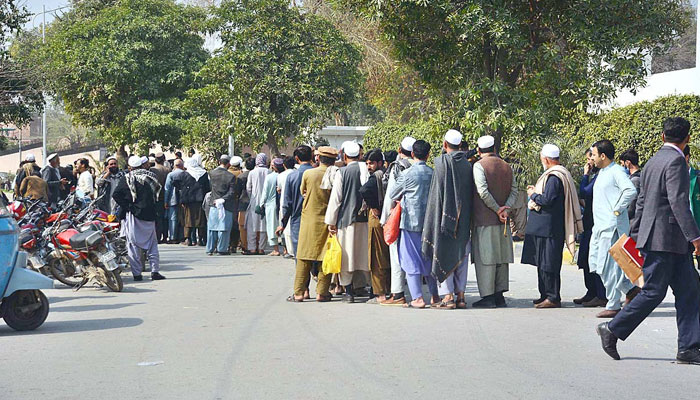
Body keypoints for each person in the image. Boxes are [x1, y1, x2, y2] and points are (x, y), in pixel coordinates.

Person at [598, 117, 700, 364]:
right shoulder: (677, 161)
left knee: (690, 292)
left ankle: (688, 347)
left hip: (662, 239)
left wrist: (636, 235)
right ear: (687, 139)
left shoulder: (653, 161)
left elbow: (641, 202)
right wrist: (695, 237)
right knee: (654, 291)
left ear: (663, 137)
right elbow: (678, 202)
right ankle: (612, 329)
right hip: (667, 240)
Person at [521, 144, 583, 308]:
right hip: (544, 228)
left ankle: (553, 296)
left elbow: (547, 200)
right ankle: (544, 294)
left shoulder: (555, 177)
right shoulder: (553, 175)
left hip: (550, 229)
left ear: (546, 159)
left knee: (549, 264)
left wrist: (533, 194)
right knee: (542, 263)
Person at [422, 130, 473, 308]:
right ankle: (461, 296)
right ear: (460, 145)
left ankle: (447, 297)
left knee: (443, 254)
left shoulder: (440, 164)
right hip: (464, 220)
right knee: (461, 256)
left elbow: (436, 196)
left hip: (443, 221)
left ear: (445, 144)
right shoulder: (468, 165)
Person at [588, 140, 639, 318]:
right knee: (597, 263)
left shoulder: (617, 171)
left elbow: (630, 190)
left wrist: (617, 209)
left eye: (593, 154)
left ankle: (613, 304)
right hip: (600, 226)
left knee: (607, 267)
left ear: (603, 155)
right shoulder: (602, 172)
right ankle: (630, 289)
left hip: (611, 227)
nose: (591, 158)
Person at [470, 135, 518, 308]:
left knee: (486, 259)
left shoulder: (478, 166)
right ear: (495, 149)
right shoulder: (507, 166)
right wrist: (506, 208)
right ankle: (499, 295)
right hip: (503, 221)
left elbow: (482, 192)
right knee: (501, 258)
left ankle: (488, 296)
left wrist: (496, 208)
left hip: (485, 219)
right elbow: (514, 191)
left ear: (479, 150)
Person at [389, 139, 437, 308]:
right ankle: (435, 296)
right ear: (428, 155)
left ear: (412, 154)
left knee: (410, 260)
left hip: (410, 222)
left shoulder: (407, 174)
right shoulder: (433, 173)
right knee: (429, 258)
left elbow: (393, 194)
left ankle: (417, 298)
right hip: (430, 223)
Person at [287, 147, 338, 302]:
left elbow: (303, 192)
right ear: (333, 161)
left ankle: (299, 292)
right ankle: (322, 292)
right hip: (329, 221)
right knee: (326, 256)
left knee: (303, 256)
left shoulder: (309, 174)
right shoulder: (336, 175)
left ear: (318, 159)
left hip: (309, 220)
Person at [325, 142, 370, 303]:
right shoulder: (366, 169)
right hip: (365, 220)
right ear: (360, 155)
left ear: (344, 156)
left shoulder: (342, 173)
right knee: (364, 256)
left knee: (347, 256)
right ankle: (370, 289)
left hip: (346, 221)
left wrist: (331, 221)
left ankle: (349, 292)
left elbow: (336, 199)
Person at [112, 156, 166, 281]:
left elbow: (116, 194)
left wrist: (128, 206)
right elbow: (159, 195)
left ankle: (137, 274)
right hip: (150, 215)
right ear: (142, 165)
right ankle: (155, 271)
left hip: (133, 215)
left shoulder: (127, 178)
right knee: (152, 244)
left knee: (133, 245)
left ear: (130, 167)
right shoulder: (151, 177)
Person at [379, 136, 415, 306]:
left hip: (399, 215)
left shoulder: (397, 167)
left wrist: (385, 218)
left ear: (400, 150)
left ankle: (398, 293)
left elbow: (390, 195)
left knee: (396, 255)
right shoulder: (421, 166)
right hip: (417, 217)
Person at [575, 149, 607, 307]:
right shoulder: (596, 175)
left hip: (597, 223)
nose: (589, 161)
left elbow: (585, 192)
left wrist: (585, 175)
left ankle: (601, 294)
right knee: (586, 259)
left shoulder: (602, 175)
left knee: (595, 259)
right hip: (589, 222)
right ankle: (591, 291)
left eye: (591, 157)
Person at [360, 149, 391, 304]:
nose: (368, 166)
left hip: (376, 220)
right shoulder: (386, 174)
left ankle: (380, 293)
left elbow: (364, 190)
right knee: (387, 256)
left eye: (371, 163)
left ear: (379, 163)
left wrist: (372, 207)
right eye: (367, 164)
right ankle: (388, 290)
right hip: (388, 219)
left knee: (376, 257)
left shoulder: (376, 176)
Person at [277, 146, 314, 257]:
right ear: (311, 157)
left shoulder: (292, 176)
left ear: (297, 159)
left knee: (300, 255)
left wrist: (283, 223)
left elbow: (287, 203)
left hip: (298, 220)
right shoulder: (318, 174)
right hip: (316, 219)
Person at [206, 155, 237, 256]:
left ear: (219, 162)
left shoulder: (211, 173)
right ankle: (222, 249)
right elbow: (232, 192)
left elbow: (210, 187)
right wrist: (223, 199)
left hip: (213, 203)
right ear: (228, 164)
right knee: (224, 228)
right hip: (226, 204)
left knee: (212, 228)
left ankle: (210, 248)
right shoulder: (230, 176)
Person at [177, 154, 210, 246]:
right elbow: (207, 188)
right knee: (200, 220)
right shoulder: (203, 173)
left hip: (189, 201)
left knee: (188, 220)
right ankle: (201, 239)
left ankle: (188, 239)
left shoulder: (185, 174)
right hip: (200, 200)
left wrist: (182, 201)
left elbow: (182, 189)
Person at [245, 153, 269, 254]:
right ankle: (261, 248)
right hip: (266, 202)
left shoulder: (252, 172)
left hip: (254, 201)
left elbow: (248, 188)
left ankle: (252, 248)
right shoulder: (269, 172)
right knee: (263, 226)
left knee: (252, 226)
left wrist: (252, 198)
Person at [260, 158, 283, 256]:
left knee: (272, 227)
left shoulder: (269, 177)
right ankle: (285, 249)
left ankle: (276, 249)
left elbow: (265, 193)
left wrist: (261, 204)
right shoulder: (284, 176)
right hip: (282, 204)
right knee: (282, 225)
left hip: (271, 205)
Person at [277, 156, 296, 258]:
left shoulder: (281, 176)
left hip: (284, 202)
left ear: (284, 165)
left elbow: (279, 189)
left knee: (286, 225)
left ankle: (289, 250)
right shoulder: (296, 173)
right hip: (296, 202)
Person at [164, 158, 186, 244]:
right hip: (183, 199)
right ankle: (181, 236)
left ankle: (173, 237)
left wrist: (166, 201)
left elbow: (167, 188)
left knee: (173, 218)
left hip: (173, 199)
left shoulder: (171, 175)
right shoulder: (186, 174)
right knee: (182, 218)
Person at [150, 152, 170, 243]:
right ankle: (165, 236)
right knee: (164, 218)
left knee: (157, 218)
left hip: (155, 197)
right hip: (165, 197)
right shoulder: (167, 170)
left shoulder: (151, 170)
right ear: (164, 159)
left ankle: (157, 237)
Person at [237, 157, 254, 253]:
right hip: (253, 201)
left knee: (242, 226)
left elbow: (238, 192)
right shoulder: (255, 175)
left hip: (243, 202)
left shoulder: (241, 176)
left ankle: (245, 245)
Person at [619, 149, 642, 220]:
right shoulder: (642, 176)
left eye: (623, 165)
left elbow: (631, 206)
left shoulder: (634, 180)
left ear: (628, 163)